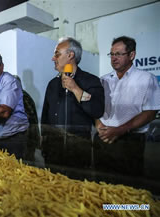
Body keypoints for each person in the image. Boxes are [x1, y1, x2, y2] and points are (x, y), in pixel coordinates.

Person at [94, 36, 160, 176]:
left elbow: (150, 112)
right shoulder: (103, 80)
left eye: (118, 54)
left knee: (127, 186)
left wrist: (120, 130)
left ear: (132, 55)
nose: (113, 58)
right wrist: (98, 124)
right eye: (111, 54)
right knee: (100, 184)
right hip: (102, 138)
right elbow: (96, 107)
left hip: (130, 141)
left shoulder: (147, 79)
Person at [41, 37, 104, 168]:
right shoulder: (52, 84)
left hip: (78, 151)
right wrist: (44, 141)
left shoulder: (91, 81)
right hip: (53, 152)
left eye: (57, 54)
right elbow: (45, 116)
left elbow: (97, 110)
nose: (53, 58)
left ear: (70, 55)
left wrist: (75, 88)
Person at [13, 75, 40, 161]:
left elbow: (27, 118)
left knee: (27, 165)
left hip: (27, 139)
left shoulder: (22, 97)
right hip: (26, 139)